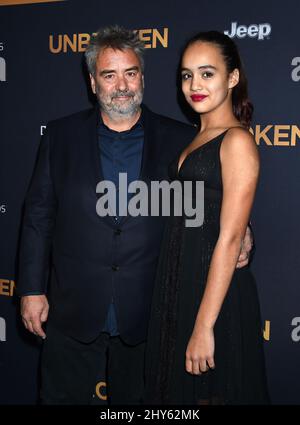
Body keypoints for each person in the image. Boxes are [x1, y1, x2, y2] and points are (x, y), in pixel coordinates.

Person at [17, 26, 253, 405]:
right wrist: (30, 288)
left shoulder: (182, 139)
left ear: (143, 77)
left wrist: (247, 234)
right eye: (109, 75)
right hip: (72, 308)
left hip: (151, 312)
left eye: (130, 72)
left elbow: (210, 202)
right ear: (94, 83)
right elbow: (38, 216)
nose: (121, 85)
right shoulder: (60, 137)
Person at [144, 31, 269, 405]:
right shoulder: (192, 139)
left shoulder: (238, 141)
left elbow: (230, 239)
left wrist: (203, 326)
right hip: (179, 287)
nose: (194, 85)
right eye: (186, 75)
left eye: (206, 73)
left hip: (215, 299)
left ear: (232, 78)